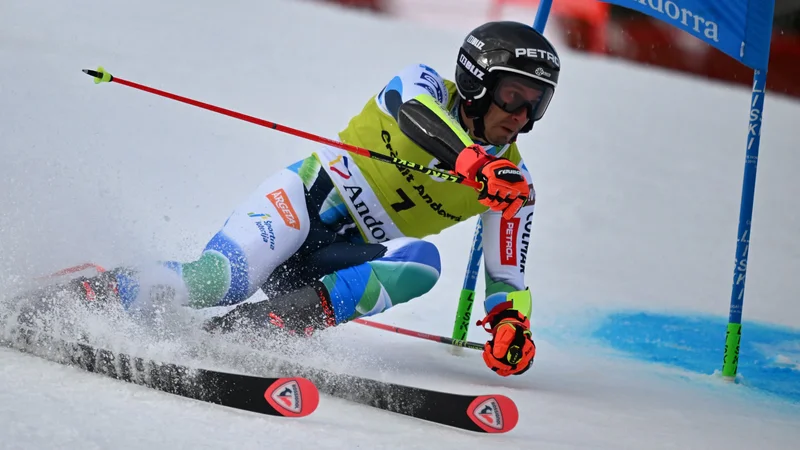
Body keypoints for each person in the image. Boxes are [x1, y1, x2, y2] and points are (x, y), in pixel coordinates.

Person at [15, 21, 560, 377]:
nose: (521, 115)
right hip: (302, 203)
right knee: (218, 281)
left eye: (536, 105)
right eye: (514, 95)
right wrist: (470, 163)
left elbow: (507, 277)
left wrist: (512, 324)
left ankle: (249, 331)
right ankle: (81, 293)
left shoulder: (515, 185)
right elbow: (411, 116)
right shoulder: (424, 83)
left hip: (340, 259)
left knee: (423, 264)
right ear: (475, 82)